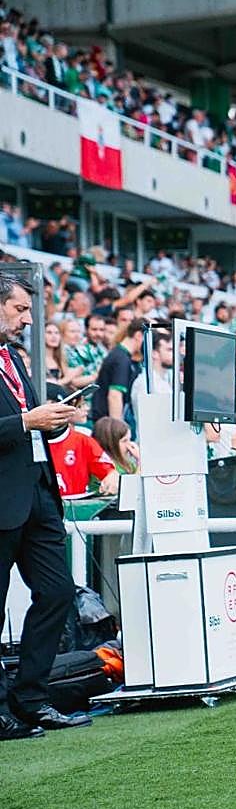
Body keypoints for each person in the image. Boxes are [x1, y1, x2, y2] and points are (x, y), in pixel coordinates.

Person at [0, 270, 92, 740]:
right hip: (3, 498)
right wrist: (25, 420)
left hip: (38, 492)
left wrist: (57, 421)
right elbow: (15, 422)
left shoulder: (13, 359)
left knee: (57, 592)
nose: (27, 319)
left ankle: (31, 697)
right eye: (19, 309)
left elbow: (30, 422)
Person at [90, 317, 148, 424]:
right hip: (105, 421)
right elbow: (115, 395)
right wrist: (118, 431)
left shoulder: (120, 355)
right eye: (148, 339)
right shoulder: (121, 359)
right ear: (139, 335)